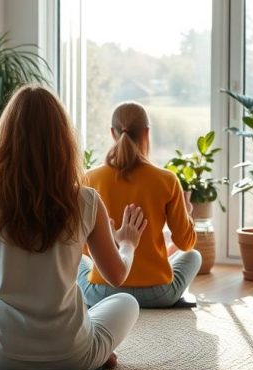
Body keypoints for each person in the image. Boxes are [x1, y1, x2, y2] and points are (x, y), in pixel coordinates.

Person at [0, 85, 148, 370]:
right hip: (73, 357)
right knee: (127, 302)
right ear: (63, 141)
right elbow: (117, 276)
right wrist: (127, 243)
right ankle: (98, 353)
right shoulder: (87, 201)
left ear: (5, 140)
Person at [79, 101, 202, 308]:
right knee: (193, 256)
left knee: (79, 262)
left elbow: (84, 249)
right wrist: (188, 213)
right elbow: (185, 244)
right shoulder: (167, 180)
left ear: (112, 133)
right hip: (158, 294)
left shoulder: (89, 178)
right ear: (146, 133)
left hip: (101, 294)